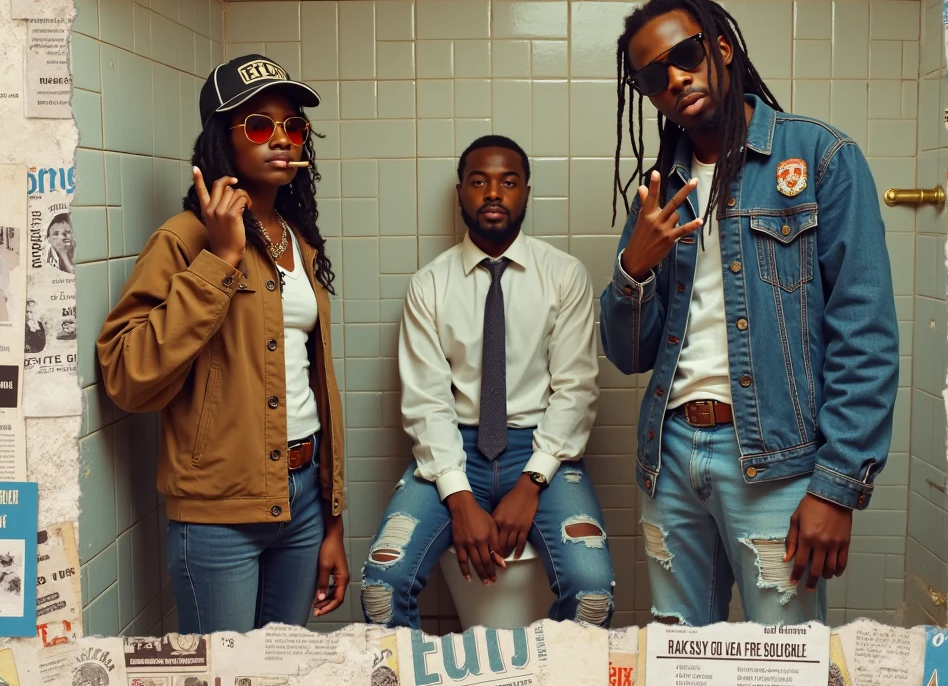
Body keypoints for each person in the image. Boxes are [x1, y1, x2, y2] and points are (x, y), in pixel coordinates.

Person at [600, 0, 900, 626]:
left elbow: (864, 333)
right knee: (682, 660)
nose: (676, 78)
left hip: (777, 462)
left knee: (782, 661)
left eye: (686, 55)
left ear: (723, 49)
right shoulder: (661, 196)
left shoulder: (820, 158)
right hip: (672, 455)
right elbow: (628, 356)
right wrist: (634, 268)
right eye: (654, 76)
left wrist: (837, 486)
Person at [97, 55, 348, 634]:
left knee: (281, 671)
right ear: (220, 139)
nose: (281, 140)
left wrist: (333, 521)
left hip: (304, 496)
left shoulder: (298, 237)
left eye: (294, 127)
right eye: (260, 126)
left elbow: (315, 384)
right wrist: (222, 259)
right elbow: (128, 376)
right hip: (218, 513)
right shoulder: (184, 241)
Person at [361, 135, 615, 629]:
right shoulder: (429, 285)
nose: (493, 193)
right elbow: (426, 402)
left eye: (508, 182)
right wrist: (458, 498)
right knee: (379, 590)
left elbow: (576, 389)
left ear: (525, 193)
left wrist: (532, 482)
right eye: (479, 181)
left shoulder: (564, 276)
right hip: (454, 450)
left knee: (591, 595)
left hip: (541, 450)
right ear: (460, 193)